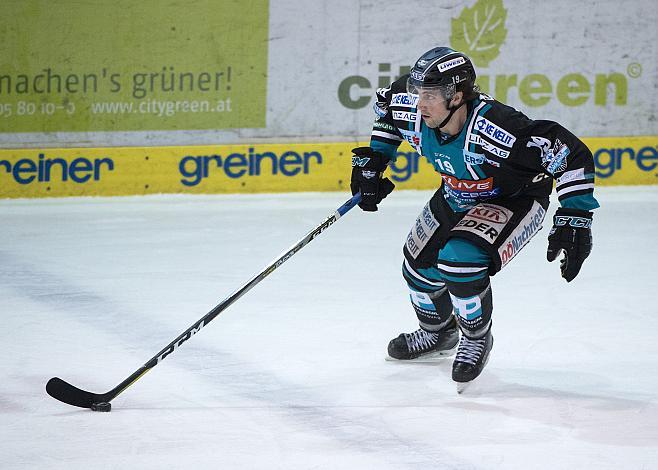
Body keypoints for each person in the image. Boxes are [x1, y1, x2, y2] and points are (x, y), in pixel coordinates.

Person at [349, 46, 598, 391]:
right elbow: (388, 114)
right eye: (419, 92)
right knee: (418, 267)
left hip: (513, 200)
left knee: (459, 261)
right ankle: (439, 333)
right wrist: (375, 161)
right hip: (457, 193)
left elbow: (570, 154)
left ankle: (475, 336)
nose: (421, 104)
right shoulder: (414, 104)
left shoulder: (498, 129)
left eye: (432, 95)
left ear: (459, 95)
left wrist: (574, 216)